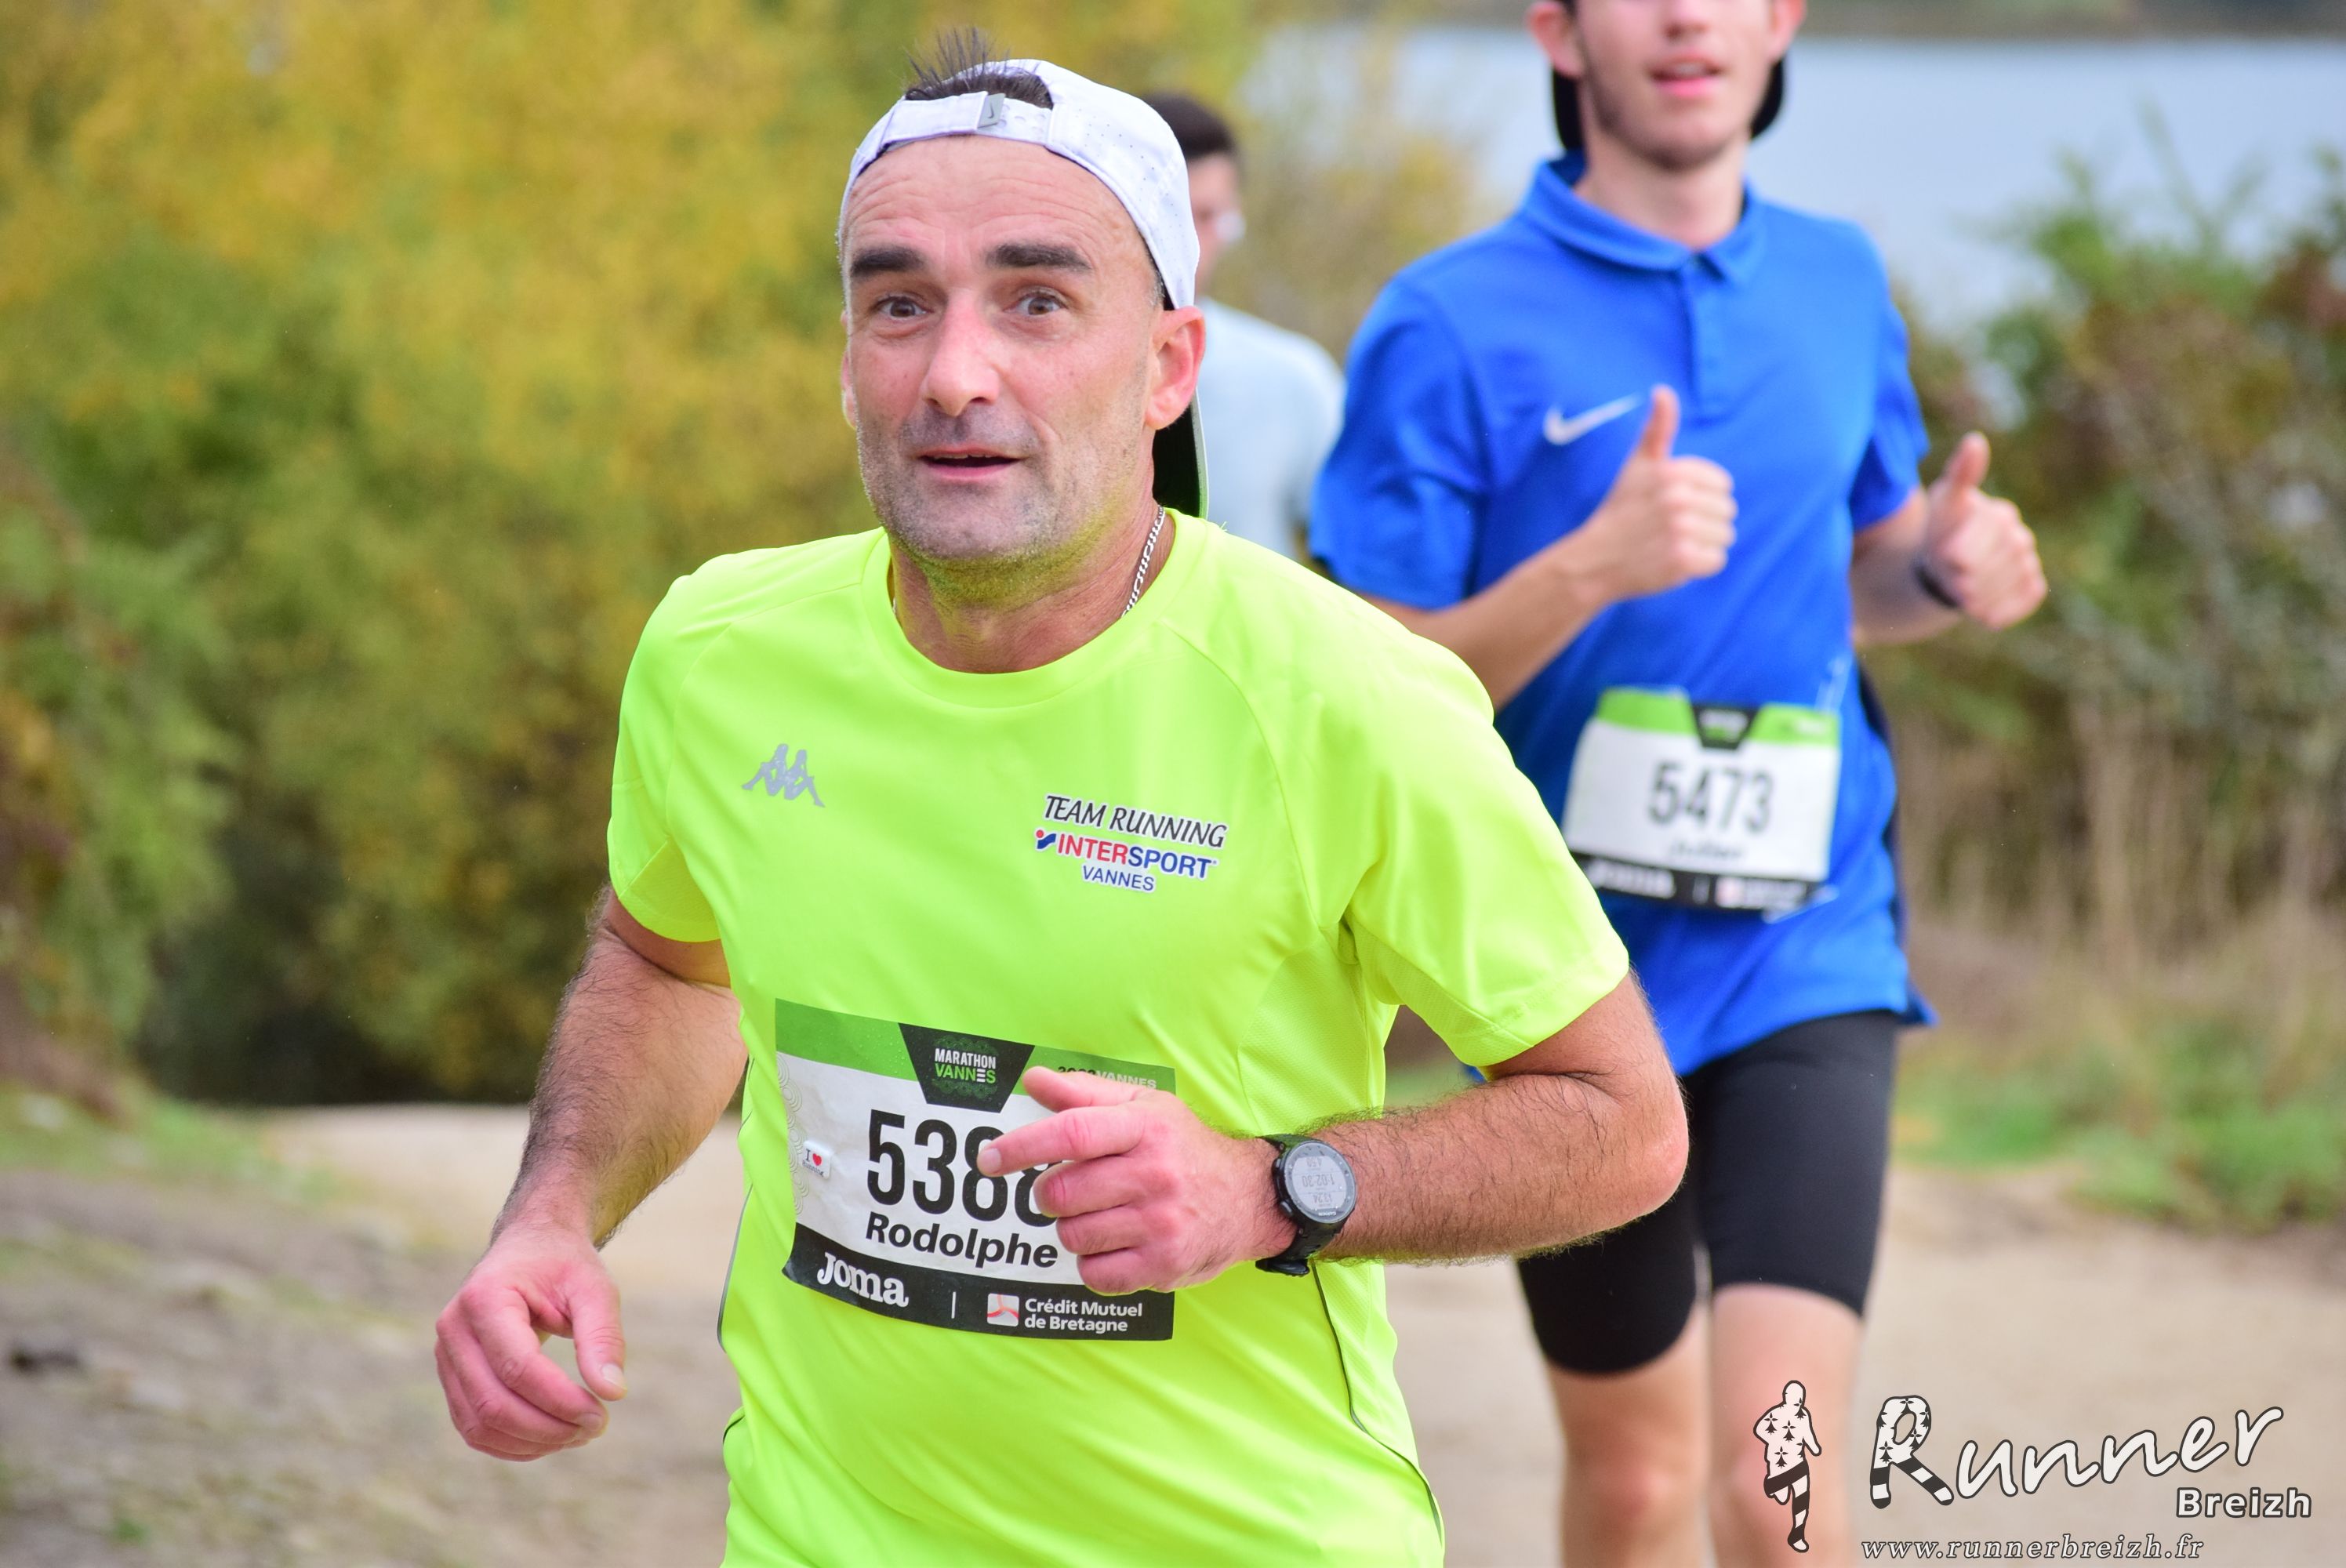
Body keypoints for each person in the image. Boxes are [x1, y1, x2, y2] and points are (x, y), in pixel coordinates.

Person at [431, 41, 1688, 1568]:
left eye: (1036, 301)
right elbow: (666, 962)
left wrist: (1272, 1188)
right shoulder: (719, 651)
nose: (954, 374)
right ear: (846, 357)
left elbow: (1621, 1123)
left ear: (1168, 366)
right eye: (899, 304)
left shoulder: (1348, 697)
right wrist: (554, 1215)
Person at [1310, 3, 2046, 1565]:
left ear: (1779, 20)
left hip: (1806, 942)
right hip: (1559, 977)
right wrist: (1590, 566)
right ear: (1559, 32)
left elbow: (1865, 575)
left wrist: (1944, 569)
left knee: (1778, 1499)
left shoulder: (1838, 280)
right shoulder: (1445, 320)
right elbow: (1372, 696)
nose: (1685, 17)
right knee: (1637, 1486)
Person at [1144, 91, 1346, 561]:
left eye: (1206, 216)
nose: (1188, 244)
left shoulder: (1295, 378)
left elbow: (1353, 564)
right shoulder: (1040, 376)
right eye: (1170, 215)